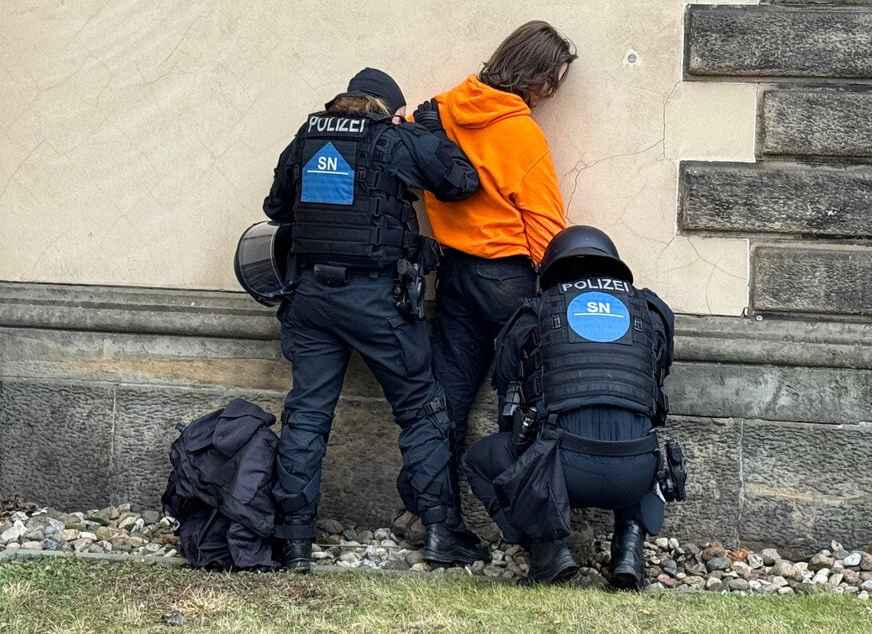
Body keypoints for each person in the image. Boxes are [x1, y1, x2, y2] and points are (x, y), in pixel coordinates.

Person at [262, 67, 490, 573]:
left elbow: (276, 208)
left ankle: (294, 541)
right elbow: (462, 182)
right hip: (375, 302)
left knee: (307, 414)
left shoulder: (308, 136)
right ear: (388, 108)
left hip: (310, 299)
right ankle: (438, 532)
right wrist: (429, 131)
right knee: (421, 409)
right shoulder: (396, 139)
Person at [394, 19, 578, 538]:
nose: (551, 93)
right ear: (534, 76)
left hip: (452, 273)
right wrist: (559, 291)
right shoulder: (521, 134)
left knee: (446, 397)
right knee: (521, 401)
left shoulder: (442, 109)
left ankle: (426, 513)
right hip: (509, 280)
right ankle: (526, 523)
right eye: (552, 81)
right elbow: (545, 226)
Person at [462, 226, 685, 589]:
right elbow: (656, 385)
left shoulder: (533, 313)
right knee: (637, 430)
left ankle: (548, 552)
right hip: (637, 473)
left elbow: (508, 405)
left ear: (551, 271)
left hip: (562, 470)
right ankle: (628, 553)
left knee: (479, 460)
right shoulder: (651, 311)